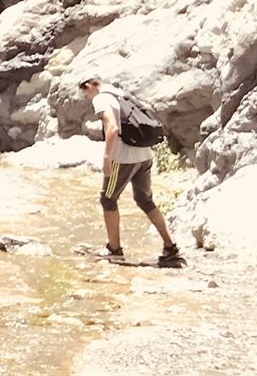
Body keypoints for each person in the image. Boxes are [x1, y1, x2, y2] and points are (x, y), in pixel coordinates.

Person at [79, 76, 184, 268]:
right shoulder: (122, 94)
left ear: (90, 86)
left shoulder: (101, 98)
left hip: (123, 157)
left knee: (108, 199)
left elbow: (112, 127)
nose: (87, 97)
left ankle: (114, 250)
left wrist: (107, 157)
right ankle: (170, 247)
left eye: (85, 93)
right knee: (145, 200)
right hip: (144, 155)